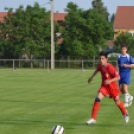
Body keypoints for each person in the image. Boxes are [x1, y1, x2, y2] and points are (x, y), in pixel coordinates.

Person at [86, 51, 129, 125]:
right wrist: (91, 77)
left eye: (102, 58)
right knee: (97, 98)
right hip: (104, 87)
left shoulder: (110, 67)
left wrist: (110, 81)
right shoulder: (100, 66)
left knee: (117, 102)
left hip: (113, 88)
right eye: (100, 58)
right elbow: (97, 69)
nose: (101, 60)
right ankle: (93, 118)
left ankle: (125, 113)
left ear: (106, 59)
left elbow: (118, 77)